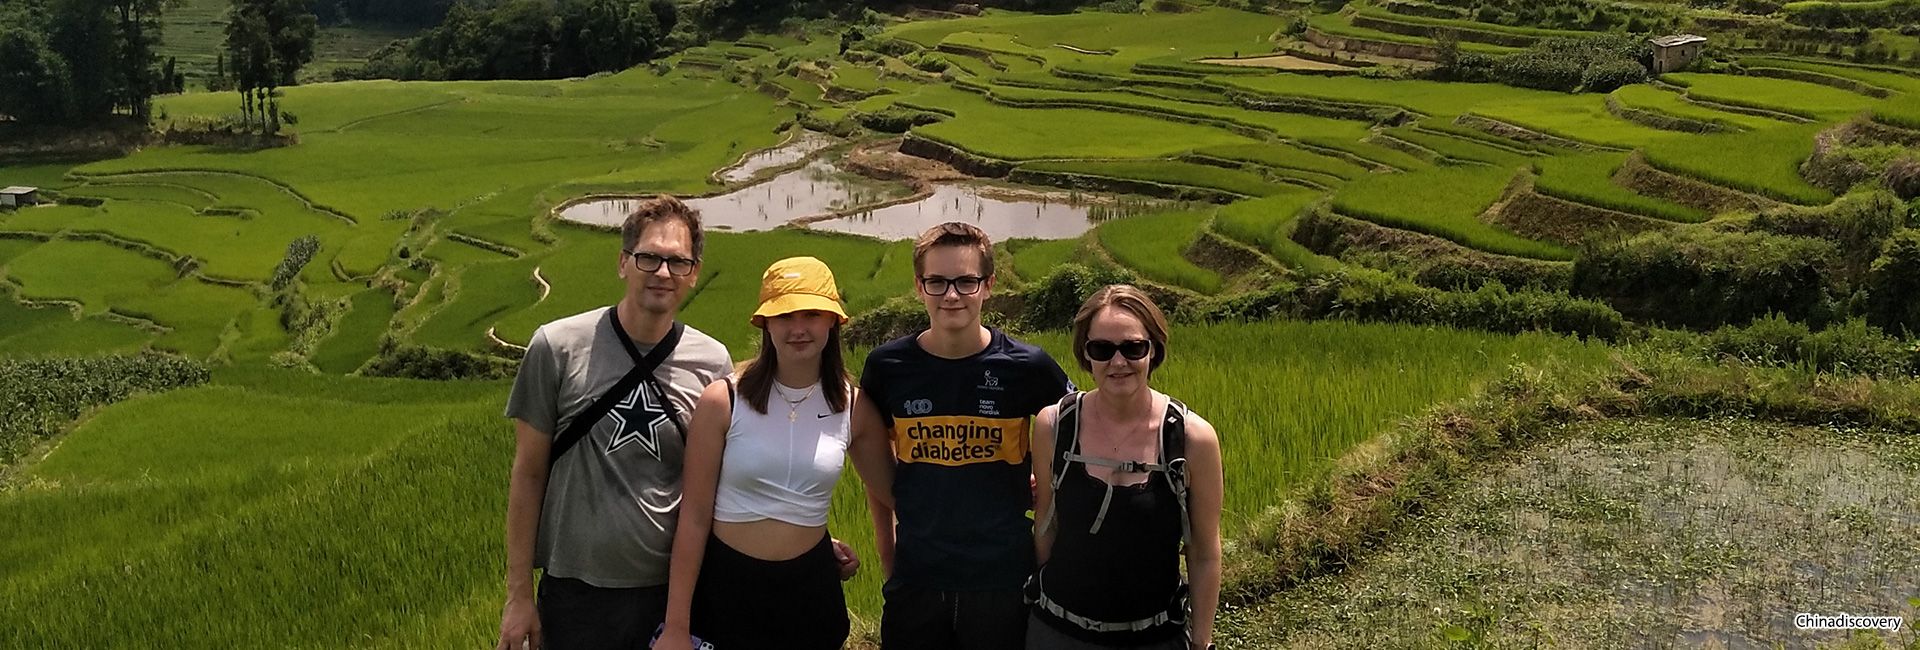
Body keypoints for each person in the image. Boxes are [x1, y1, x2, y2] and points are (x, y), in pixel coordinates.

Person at [496, 197, 739, 650]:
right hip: (574, 593)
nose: (663, 272)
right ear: (624, 263)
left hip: (671, 595)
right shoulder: (557, 347)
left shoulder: (711, 363)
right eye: (649, 257)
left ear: (694, 272)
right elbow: (528, 473)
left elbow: (721, 484)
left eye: (677, 261)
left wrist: (805, 541)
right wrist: (518, 597)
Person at [848, 221, 1077, 650]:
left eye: (965, 281)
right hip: (917, 577)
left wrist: (1047, 484)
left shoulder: (1027, 366)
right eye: (937, 282)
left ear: (988, 285)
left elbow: (1082, 431)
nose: (951, 295)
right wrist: (888, 557)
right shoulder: (887, 367)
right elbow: (873, 464)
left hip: (1003, 579)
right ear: (919, 287)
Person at [657, 256, 860, 650]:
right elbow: (694, 517)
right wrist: (676, 626)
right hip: (727, 588)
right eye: (784, 315)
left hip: (811, 590)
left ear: (833, 321)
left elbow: (894, 488)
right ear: (765, 322)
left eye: (812, 314)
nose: (798, 328)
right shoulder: (724, 399)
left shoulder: (852, 405)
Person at [1027, 285, 1224, 650]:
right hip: (1057, 632)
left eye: (1133, 348)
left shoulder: (1192, 439)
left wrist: (1201, 641)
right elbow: (1046, 525)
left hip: (1154, 637)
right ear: (1086, 355)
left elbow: (1205, 551)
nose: (1118, 363)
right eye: (1102, 349)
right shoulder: (1054, 426)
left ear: (1153, 350)